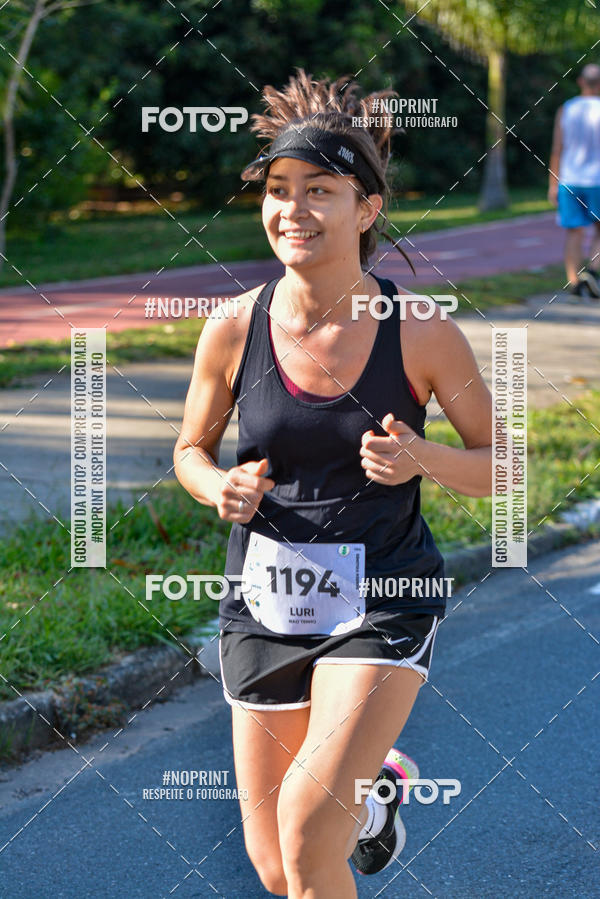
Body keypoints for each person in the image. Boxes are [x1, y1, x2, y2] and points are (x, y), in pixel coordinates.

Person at [173, 68, 492, 898]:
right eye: (279, 189)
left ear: (366, 208)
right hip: (264, 604)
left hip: (382, 597)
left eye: (320, 190)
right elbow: (189, 450)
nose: (294, 209)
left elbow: (503, 465)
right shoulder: (233, 326)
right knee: (277, 867)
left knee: (310, 836)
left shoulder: (419, 331)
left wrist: (422, 457)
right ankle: (375, 794)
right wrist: (216, 486)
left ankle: (355, 796)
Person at [548, 62, 600, 299]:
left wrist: (553, 183)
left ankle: (574, 282)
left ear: (580, 82)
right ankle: (593, 271)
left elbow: (557, 149)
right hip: (597, 179)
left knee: (573, 232)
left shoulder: (566, 109)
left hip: (569, 179)